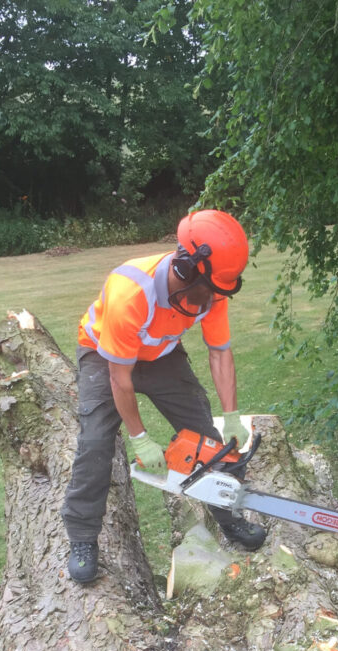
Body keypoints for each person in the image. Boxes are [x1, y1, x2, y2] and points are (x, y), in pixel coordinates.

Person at [61, 208, 266, 583]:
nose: (212, 301)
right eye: (209, 292)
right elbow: (119, 377)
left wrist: (232, 414)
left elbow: (219, 351)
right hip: (104, 355)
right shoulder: (130, 294)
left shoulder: (212, 289)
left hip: (160, 354)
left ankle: (229, 517)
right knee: (95, 442)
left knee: (207, 434)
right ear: (187, 269)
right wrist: (140, 438)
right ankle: (82, 536)